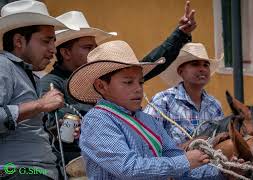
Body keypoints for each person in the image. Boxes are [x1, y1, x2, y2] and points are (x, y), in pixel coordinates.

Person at [39, 1, 196, 164]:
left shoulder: (116, 82)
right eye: (87, 47)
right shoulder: (50, 84)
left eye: (139, 82)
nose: (94, 51)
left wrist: (179, 35)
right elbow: (51, 121)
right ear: (65, 52)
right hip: (76, 161)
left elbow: (150, 63)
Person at [67, 40, 223, 179]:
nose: (138, 89)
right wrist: (185, 161)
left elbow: (179, 162)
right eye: (128, 82)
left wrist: (223, 173)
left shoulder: (147, 120)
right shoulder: (98, 120)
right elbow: (128, 168)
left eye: (140, 82)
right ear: (101, 86)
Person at [0, 0, 77, 179]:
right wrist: (40, 105)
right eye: (46, 41)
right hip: (17, 171)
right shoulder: (3, 65)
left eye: (54, 42)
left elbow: (25, 128)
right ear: (19, 41)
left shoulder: (29, 74)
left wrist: (56, 129)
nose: (53, 49)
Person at [144, 43, 224, 147]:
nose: (202, 69)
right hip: (174, 163)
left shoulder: (215, 105)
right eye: (195, 64)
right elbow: (148, 143)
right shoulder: (163, 101)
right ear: (181, 71)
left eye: (206, 65)